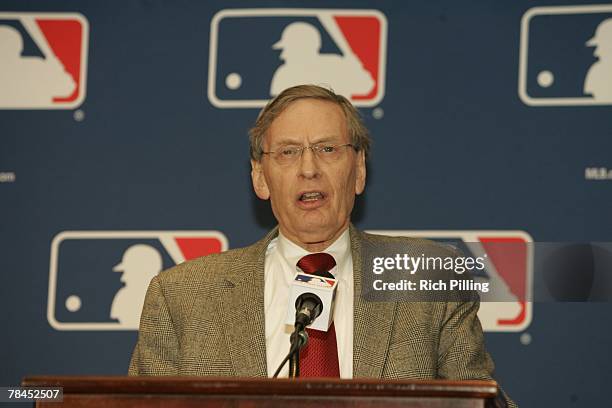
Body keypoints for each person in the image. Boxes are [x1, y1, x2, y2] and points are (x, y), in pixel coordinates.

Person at [128, 84, 515, 407]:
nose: (308, 168)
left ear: (359, 170)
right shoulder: (182, 296)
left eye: (328, 149)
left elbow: (479, 398)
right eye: (288, 152)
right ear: (260, 178)